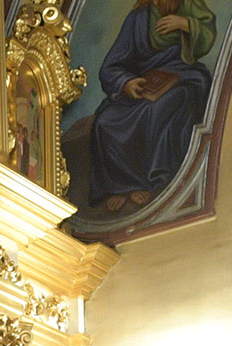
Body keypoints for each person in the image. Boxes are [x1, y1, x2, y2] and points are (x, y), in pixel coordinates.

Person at [88, 0, 216, 212]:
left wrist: (185, 24)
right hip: (145, 83)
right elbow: (111, 65)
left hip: (183, 77)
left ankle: (153, 180)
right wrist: (125, 82)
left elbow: (207, 35)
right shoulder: (138, 19)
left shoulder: (190, 5)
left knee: (159, 110)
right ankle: (121, 185)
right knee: (105, 121)